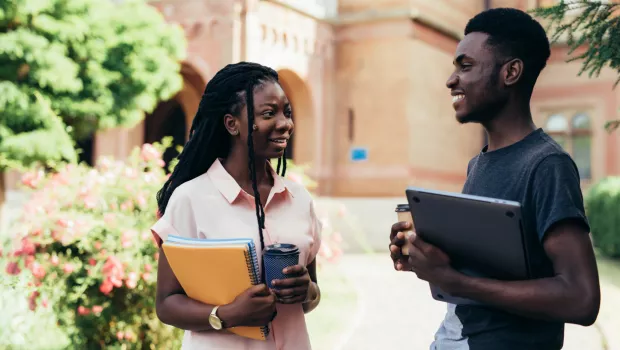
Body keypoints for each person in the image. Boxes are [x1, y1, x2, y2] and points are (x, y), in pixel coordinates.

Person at [389, 8, 600, 350]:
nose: (450, 80)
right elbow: (488, 265)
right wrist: (424, 253)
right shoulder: (479, 164)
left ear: (511, 72)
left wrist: (455, 280)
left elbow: (581, 298)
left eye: (465, 65)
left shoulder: (547, 165)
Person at [151, 62, 322, 350]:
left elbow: (312, 297)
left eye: (287, 112)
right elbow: (167, 304)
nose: (285, 123)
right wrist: (227, 315)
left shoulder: (299, 199)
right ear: (232, 124)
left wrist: (307, 291)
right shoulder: (190, 199)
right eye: (269, 113)